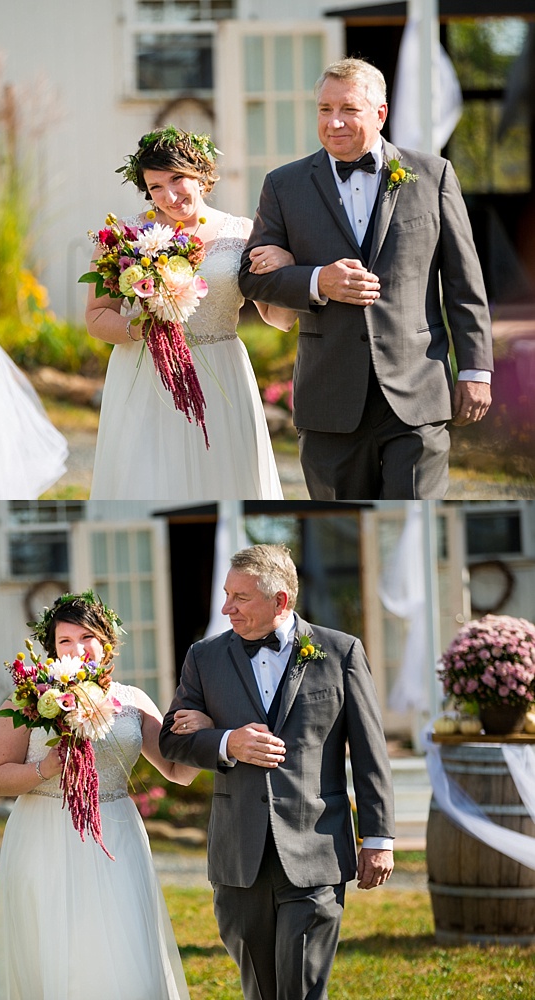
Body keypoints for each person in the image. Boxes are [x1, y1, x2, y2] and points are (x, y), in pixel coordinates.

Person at [237, 58, 494, 499]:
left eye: (348, 109)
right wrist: (317, 280)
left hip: (417, 393)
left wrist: (476, 369)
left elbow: (463, 283)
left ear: (380, 113)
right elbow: (251, 279)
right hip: (328, 400)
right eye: (324, 109)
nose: (334, 122)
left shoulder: (434, 176)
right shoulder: (283, 185)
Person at [159, 544, 395, 1000]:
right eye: (227, 594)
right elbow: (173, 740)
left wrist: (379, 838)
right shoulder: (203, 657)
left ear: (280, 601)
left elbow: (370, 751)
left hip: (315, 848)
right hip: (237, 857)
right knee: (260, 989)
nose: (226, 607)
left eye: (240, 598)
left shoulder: (341, 652)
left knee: (301, 987)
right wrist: (228, 741)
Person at [0, 591, 209, 999]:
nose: (77, 648)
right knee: (56, 945)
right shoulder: (27, 702)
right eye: (65, 641)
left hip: (117, 834)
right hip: (45, 833)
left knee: (125, 942)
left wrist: (205, 733)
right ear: (52, 650)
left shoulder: (133, 701)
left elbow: (177, 773)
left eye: (87, 637)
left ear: (107, 641)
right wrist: (45, 768)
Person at [87, 127, 297, 501]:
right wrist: (141, 329)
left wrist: (288, 268)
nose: (169, 196)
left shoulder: (244, 233)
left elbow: (277, 318)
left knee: (227, 480)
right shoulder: (123, 237)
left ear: (200, 173)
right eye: (154, 187)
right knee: (150, 484)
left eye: (177, 178)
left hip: (223, 371)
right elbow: (97, 316)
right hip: (146, 375)